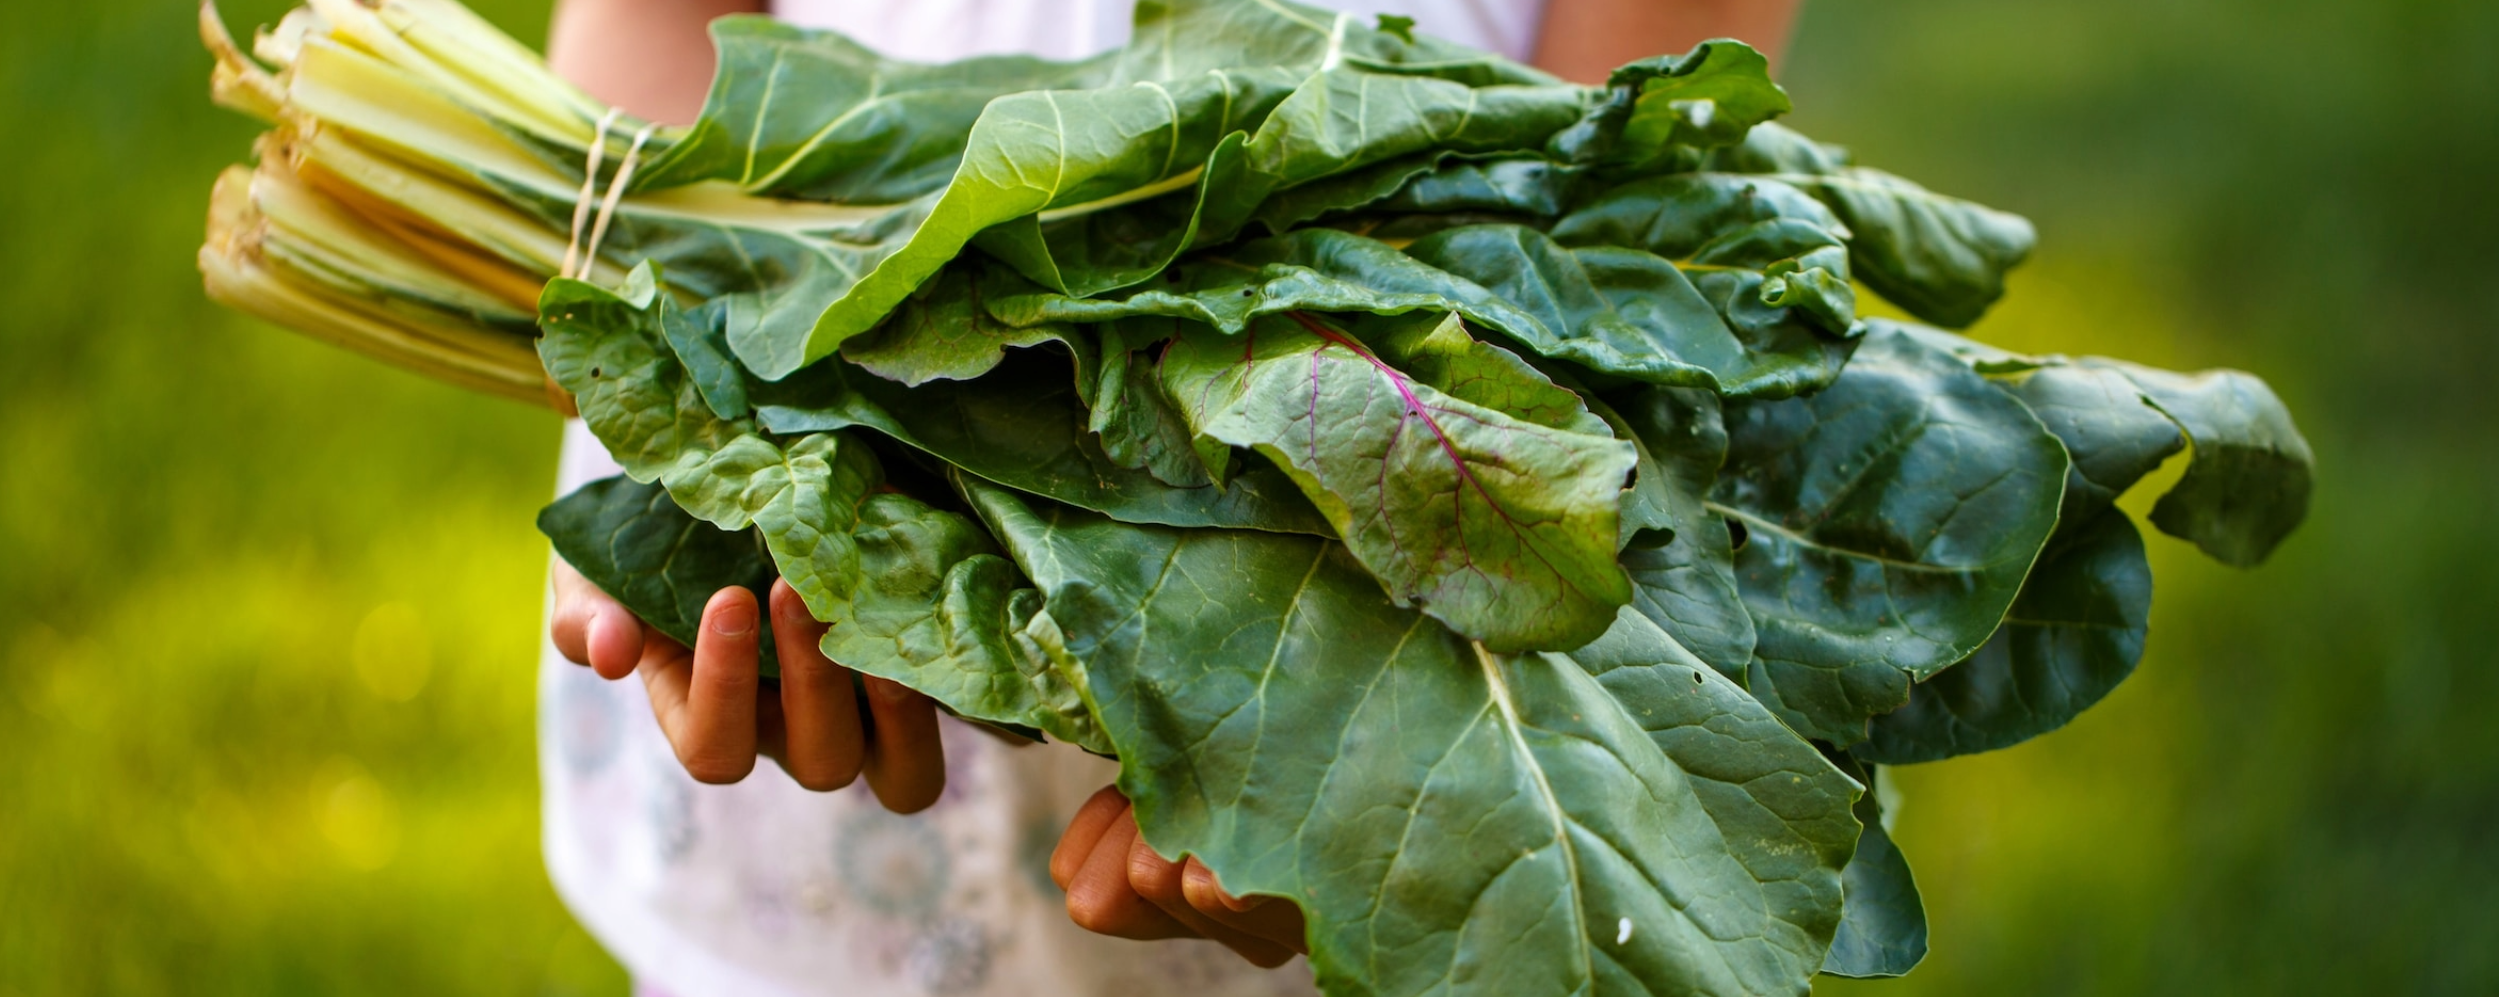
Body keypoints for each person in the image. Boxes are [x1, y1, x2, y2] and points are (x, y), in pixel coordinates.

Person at [536, 1, 1801, 993]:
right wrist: (666, 382)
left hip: (1343, 651)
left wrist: (1378, 768)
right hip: (819, 851)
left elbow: (1593, 212)